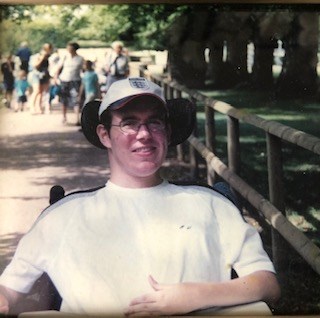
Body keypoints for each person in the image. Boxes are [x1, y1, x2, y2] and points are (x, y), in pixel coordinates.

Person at [0, 77, 280, 316]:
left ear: (167, 133)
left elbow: (267, 284)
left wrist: (195, 296)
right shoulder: (63, 215)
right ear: (105, 135)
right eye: (129, 123)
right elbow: (9, 290)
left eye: (155, 123)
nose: (144, 134)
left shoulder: (211, 203)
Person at [55, 42, 84, 125]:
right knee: (64, 99)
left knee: (76, 99)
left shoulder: (80, 59)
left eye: (70, 48)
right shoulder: (64, 57)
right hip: (64, 80)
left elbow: (83, 69)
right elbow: (58, 68)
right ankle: (64, 117)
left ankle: (77, 119)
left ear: (75, 49)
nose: (69, 50)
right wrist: (56, 78)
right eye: (68, 48)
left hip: (75, 80)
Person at [29, 43, 53, 114]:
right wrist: (42, 58)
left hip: (44, 75)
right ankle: (32, 107)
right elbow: (35, 66)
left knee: (40, 92)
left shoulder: (48, 56)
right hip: (36, 75)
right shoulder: (39, 55)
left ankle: (38, 107)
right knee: (36, 91)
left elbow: (46, 68)